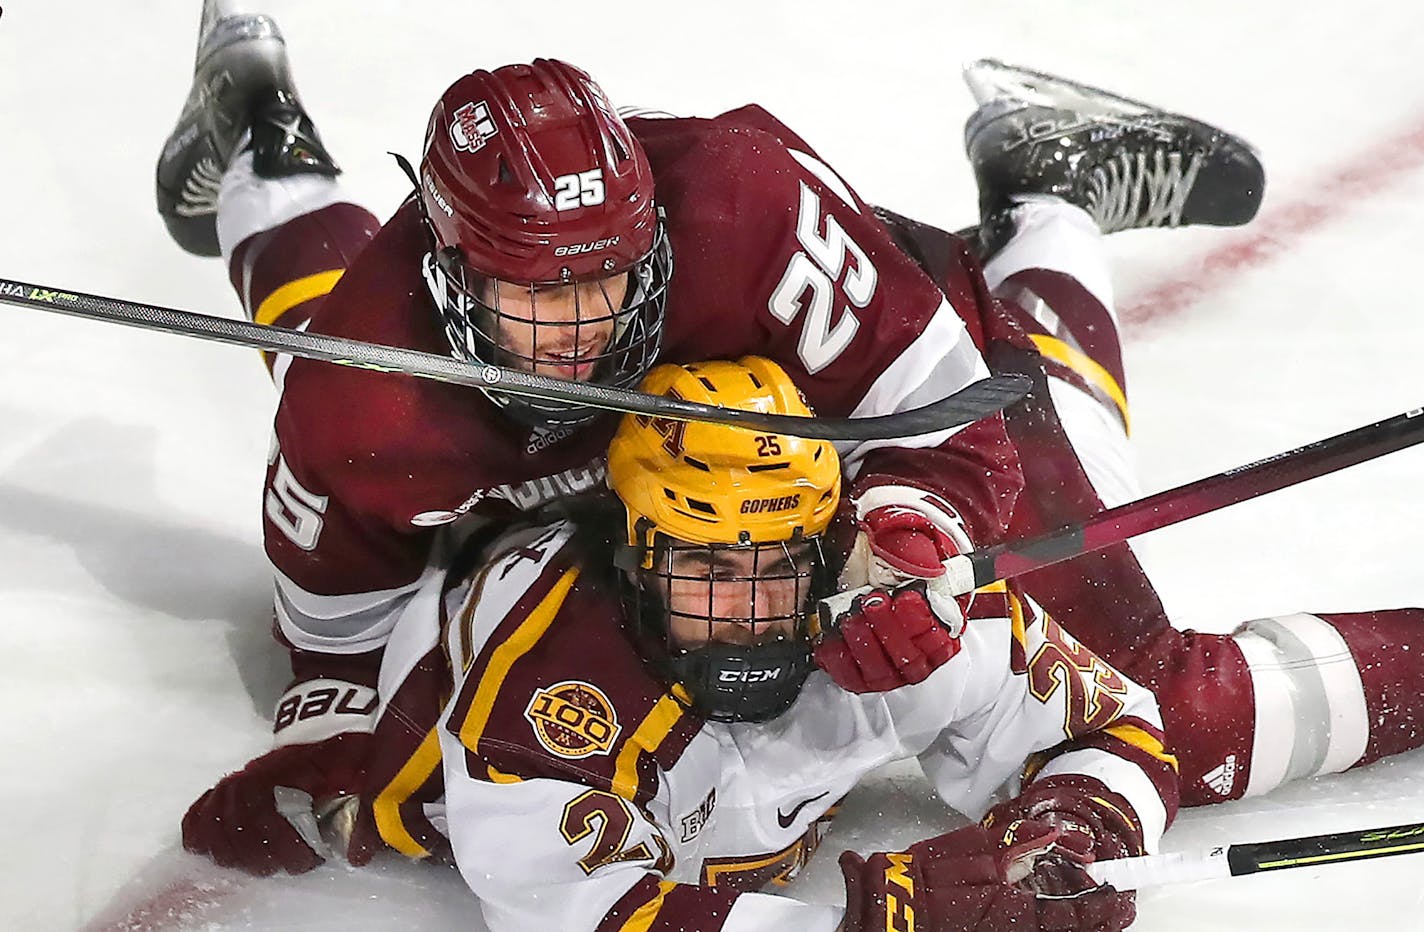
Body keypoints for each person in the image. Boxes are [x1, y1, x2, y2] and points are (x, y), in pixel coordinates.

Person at [159, 2, 1263, 876]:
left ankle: (1046, 193)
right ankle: (262, 136)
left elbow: (954, 420)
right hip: (626, 508)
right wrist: (347, 739)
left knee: (1155, 686)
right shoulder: (359, 393)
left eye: (608, 275)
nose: (585, 327)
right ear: (451, 270)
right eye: (537, 296)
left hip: (840, 411)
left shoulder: (745, 208)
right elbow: (336, 632)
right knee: (345, 371)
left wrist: (897, 545)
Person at [381, 356, 1181, 932]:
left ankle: (1046, 212)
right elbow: (600, 920)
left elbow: (1116, 724)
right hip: (411, 667)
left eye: (784, 563)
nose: (752, 611)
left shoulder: (890, 616)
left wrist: (1074, 831)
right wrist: (868, 924)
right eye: (707, 565)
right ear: (633, 550)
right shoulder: (547, 709)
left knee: (1059, 406)